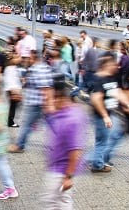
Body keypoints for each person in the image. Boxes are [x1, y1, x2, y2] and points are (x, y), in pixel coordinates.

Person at [40, 74, 87, 209]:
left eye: (52, 98)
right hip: (59, 169)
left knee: (48, 204)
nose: (50, 101)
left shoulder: (71, 119)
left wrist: (68, 176)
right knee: (62, 202)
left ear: (60, 97)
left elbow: (76, 151)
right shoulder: (69, 112)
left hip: (60, 172)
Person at [88, 54, 129, 172]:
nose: (116, 66)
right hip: (101, 116)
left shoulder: (111, 78)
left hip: (110, 114)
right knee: (102, 141)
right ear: (106, 65)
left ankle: (99, 160)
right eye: (113, 64)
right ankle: (97, 165)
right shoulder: (98, 79)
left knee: (112, 136)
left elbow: (118, 93)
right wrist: (105, 116)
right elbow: (96, 98)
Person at [8, 50, 53, 153]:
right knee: (51, 125)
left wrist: (48, 105)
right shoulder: (41, 67)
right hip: (37, 103)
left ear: (34, 58)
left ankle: (19, 146)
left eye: (29, 58)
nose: (27, 60)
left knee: (26, 125)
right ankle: (63, 145)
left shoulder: (38, 69)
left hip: (36, 104)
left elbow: (45, 88)